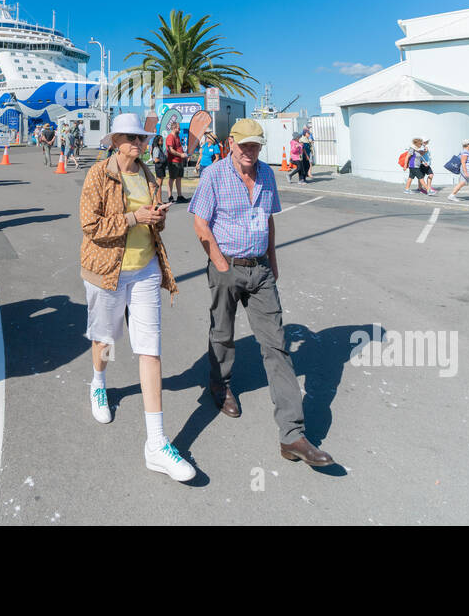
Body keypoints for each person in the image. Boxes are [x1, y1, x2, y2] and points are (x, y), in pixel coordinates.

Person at [189, 118, 334, 467]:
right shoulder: (214, 175)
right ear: (231, 145)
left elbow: (268, 219)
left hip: (261, 271)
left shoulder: (267, 175)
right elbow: (200, 222)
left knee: (277, 347)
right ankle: (220, 385)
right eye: (245, 145)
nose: (251, 152)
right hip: (227, 266)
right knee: (222, 334)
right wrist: (220, 264)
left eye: (256, 146)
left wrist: (272, 260)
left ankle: (292, 435)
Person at [78, 112, 194, 482]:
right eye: (131, 138)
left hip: (145, 269)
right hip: (107, 270)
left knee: (150, 349)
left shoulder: (147, 174)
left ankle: (156, 444)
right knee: (107, 339)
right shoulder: (99, 174)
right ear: (114, 141)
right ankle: (99, 383)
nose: (139, 144)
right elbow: (90, 225)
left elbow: (152, 221)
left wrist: (157, 216)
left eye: (142, 138)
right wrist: (134, 218)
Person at [164, 120, 187, 203]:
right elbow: (170, 150)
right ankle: (170, 196)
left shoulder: (177, 137)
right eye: (178, 128)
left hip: (179, 161)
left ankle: (179, 196)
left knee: (179, 178)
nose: (179, 130)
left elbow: (178, 148)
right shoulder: (170, 137)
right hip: (173, 161)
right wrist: (180, 155)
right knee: (172, 178)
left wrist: (184, 154)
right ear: (174, 128)